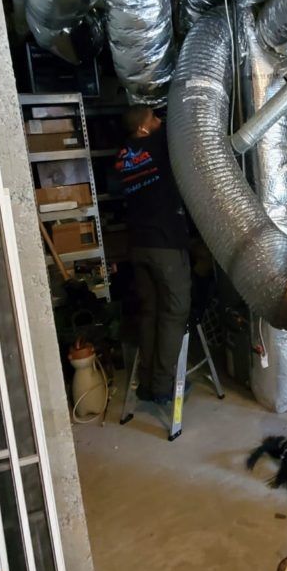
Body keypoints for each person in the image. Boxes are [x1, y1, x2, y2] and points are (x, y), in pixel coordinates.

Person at [113, 106, 192, 405]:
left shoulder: (123, 156)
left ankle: (146, 382)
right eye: (153, 119)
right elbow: (180, 123)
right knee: (174, 313)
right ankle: (161, 386)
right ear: (144, 129)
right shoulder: (157, 144)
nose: (159, 121)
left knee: (150, 314)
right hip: (165, 245)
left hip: (139, 245)